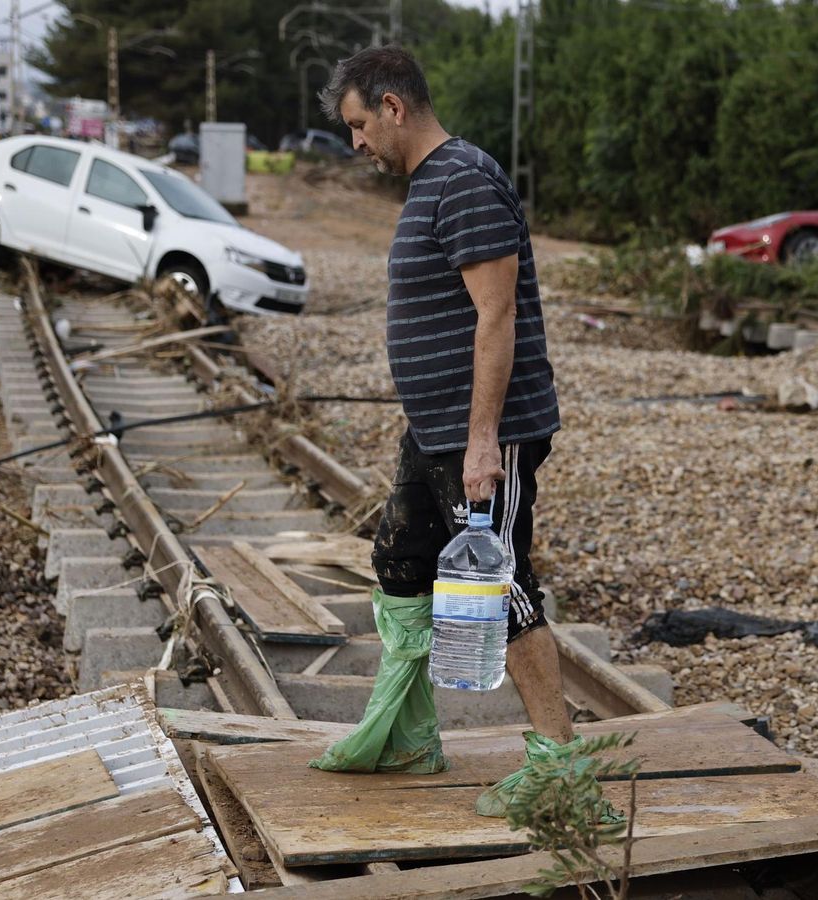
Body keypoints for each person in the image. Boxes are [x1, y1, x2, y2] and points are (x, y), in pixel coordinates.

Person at [312, 46, 592, 818]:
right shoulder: (431, 183)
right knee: (400, 560)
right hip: (433, 428)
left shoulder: (463, 181)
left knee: (503, 588)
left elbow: (496, 317)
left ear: (395, 107)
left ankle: (561, 770)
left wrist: (481, 441)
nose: (358, 144)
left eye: (361, 125)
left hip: (483, 435)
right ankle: (405, 737)